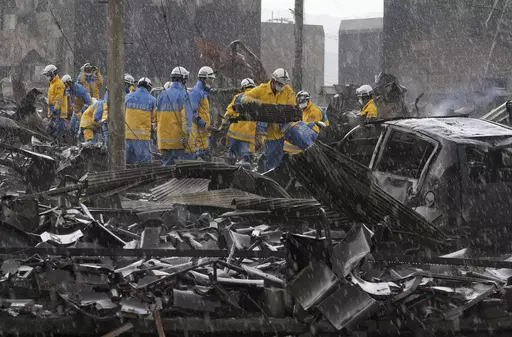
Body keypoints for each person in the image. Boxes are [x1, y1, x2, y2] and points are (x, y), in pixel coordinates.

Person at [236, 68, 296, 172]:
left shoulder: (288, 91)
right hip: (267, 133)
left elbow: (292, 107)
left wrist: (283, 111)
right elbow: (243, 98)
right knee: (271, 163)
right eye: (280, 84)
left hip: (282, 131)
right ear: (273, 80)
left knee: (278, 160)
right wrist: (255, 101)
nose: (282, 87)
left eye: (283, 84)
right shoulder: (262, 89)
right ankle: (266, 177)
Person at [156, 66, 195, 166]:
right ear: (184, 79)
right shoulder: (185, 95)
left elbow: (157, 117)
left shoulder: (161, 94)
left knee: (167, 172)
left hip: (164, 140)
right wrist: (186, 135)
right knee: (182, 172)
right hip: (178, 141)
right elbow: (186, 118)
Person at [222, 78, 257, 164]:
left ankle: (228, 173)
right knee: (246, 160)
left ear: (243, 88)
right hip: (247, 136)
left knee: (231, 156)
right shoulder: (257, 99)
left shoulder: (238, 97)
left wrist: (222, 125)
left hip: (233, 134)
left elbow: (228, 113)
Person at [125, 77, 157, 164]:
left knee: (126, 164)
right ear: (149, 88)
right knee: (144, 165)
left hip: (127, 136)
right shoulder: (152, 100)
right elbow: (154, 119)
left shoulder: (127, 97)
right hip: (142, 138)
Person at [190, 66, 215, 161]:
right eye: (210, 79)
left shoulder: (203, 92)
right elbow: (192, 113)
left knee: (205, 156)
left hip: (203, 134)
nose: (211, 82)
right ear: (204, 78)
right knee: (201, 158)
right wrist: (204, 124)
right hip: (198, 135)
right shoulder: (196, 92)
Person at [42, 64, 67, 141]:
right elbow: (52, 97)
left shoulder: (58, 84)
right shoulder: (52, 83)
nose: (47, 76)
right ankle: (54, 143)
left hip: (58, 110)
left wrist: (55, 110)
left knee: (58, 128)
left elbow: (58, 99)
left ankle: (59, 144)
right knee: (50, 129)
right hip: (53, 108)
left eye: (48, 74)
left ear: (53, 73)